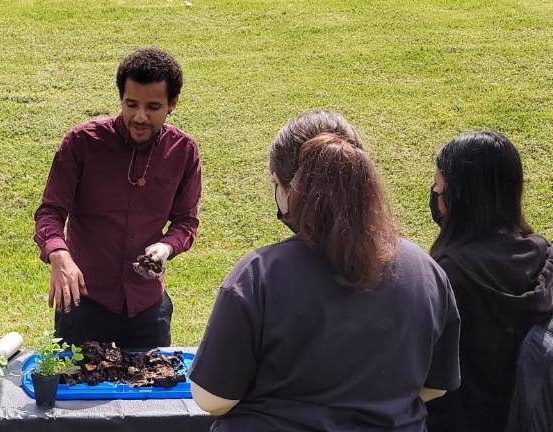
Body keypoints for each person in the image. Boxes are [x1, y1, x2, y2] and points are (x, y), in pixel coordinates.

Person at [189, 111, 460, 431]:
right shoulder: (425, 271)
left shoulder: (259, 275)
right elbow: (435, 385)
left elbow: (212, 398)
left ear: (286, 186)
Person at [33, 48, 201, 348]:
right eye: (131, 104)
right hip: (84, 302)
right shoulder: (83, 142)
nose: (139, 117)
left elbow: (186, 221)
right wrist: (59, 255)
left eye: (153, 107)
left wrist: (166, 247)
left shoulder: (183, 151)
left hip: (147, 307)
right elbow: (50, 211)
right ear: (120, 98)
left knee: (150, 392)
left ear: (172, 103)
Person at [425, 130, 553, 432]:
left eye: (439, 189)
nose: (434, 195)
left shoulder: (448, 276)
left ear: (459, 200)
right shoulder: (542, 255)